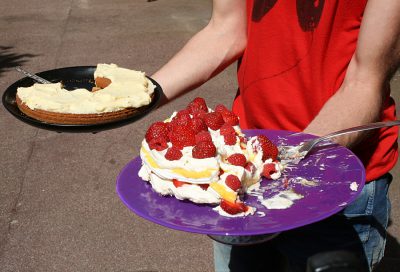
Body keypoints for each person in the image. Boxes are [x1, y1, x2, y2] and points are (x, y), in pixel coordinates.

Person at [151, 0, 400, 271]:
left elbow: (365, 80)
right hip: (247, 170)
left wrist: (280, 164)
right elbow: (225, 29)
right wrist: (136, 97)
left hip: (338, 181)